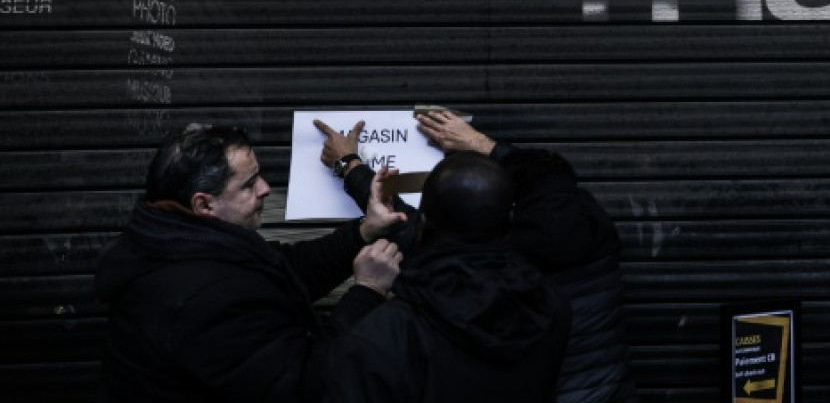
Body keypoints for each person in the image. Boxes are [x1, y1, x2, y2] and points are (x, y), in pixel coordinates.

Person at [318, 113, 638, 403]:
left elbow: (411, 226)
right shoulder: (563, 284)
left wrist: (350, 165)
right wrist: (483, 145)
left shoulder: (423, 307)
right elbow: (548, 180)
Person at [95, 123, 405, 402]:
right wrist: (368, 291)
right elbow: (307, 385)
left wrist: (365, 232)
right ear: (204, 203)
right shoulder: (207, 300)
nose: (266, 189)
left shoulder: (180, 243)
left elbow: (285, 271)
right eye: (249, 184)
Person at [323, 150, 572, 402]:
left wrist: (365, 292)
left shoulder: (385, 334)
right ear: (509, 220)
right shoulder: (551, 307)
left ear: (422, 225)